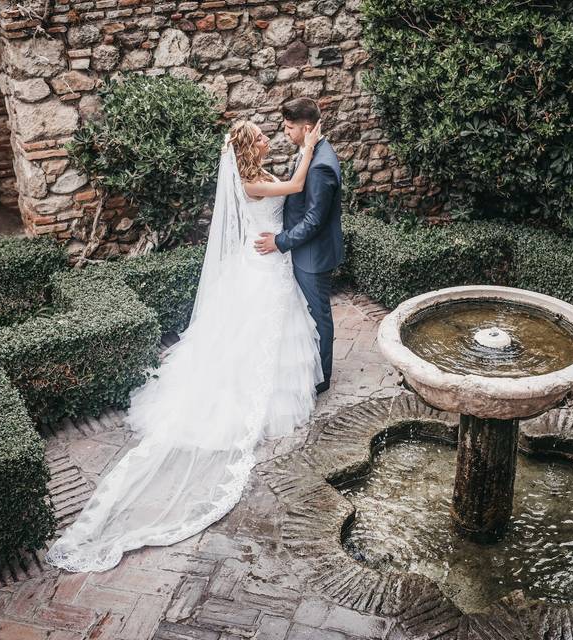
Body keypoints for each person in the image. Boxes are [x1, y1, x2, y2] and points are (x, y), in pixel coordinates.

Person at [45, 118, 325, 573]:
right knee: (253, 338)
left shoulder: (257, 173)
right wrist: (309, 146)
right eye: (260, 134)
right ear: (249, 148)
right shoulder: (252, 181)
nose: (268, 136)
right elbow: (295, 186)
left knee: (257, 338)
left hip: (266, 264)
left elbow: (286, 183)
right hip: (263, 269)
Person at [254, 98, 343, 393]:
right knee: (309, 315)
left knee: (319, 318)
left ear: (307, 128)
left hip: (312, 256)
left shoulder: (321, 166)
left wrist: (280, 242)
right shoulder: (310, 152)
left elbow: (314, 220)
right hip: (304, 252)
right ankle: (312, 369)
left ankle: (322, 379)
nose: (285, 131)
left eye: (290, 127)